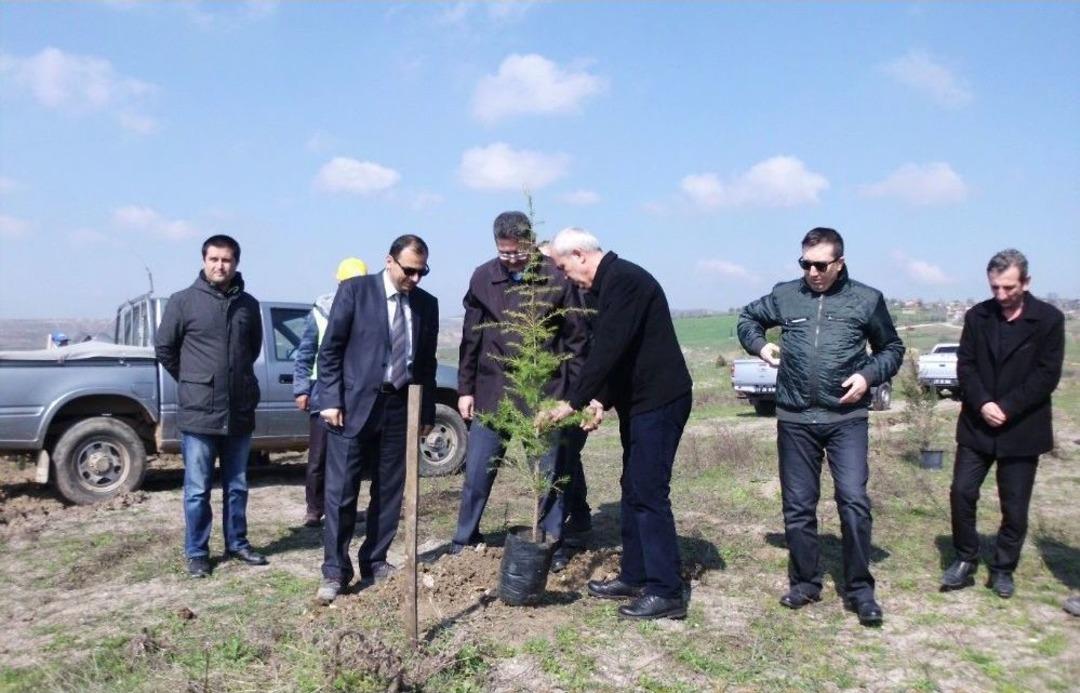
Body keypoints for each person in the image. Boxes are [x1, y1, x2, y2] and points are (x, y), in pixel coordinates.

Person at [737, 227, 904, 626]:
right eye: (805, 264)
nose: (812, 272)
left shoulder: (866, 299)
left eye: (820, 265)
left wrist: (867, 376)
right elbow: (747, 319)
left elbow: (892, 349)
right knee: (798, 506)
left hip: (846, 419)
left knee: (853, 501)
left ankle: (861, 590)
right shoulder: (785, 295)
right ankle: (806, 582)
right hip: (795, 418)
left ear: (839, 263)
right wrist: (760, 345)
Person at [540, 227, 693, 620]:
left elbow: (608, 349)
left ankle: (666, 591)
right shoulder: (608, 285)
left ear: (579, 254)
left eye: (563, 267)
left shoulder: (624, 280)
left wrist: (572, 402)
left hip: (660, 400)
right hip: (638, 401)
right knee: (632, 488)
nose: (564, 276)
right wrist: (601, 401)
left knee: (648, 491)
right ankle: (635, 573)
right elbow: (623, 355)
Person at [450, 213, 588, 566]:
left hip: (543, 395)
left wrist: (569, 398)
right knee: (478, 470)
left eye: (518, 252)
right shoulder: (483, 277)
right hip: (492, 392)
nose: (512, 258)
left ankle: (550, 546)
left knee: (548, 475)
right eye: (504, 252)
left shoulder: (556, 278)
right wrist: (465, 389)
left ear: (530, 242)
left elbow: (576, 342)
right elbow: (471, 337)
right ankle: (464, 539)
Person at [314, 235, 438, 604]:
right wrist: (330, 399)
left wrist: (426, 412)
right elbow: (331, 350)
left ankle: (375, 560)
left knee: (389, 490)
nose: (415, 279)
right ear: (389, 261)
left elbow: (427, 365)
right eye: (410, 270)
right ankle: (335, 570)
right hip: (352, 407)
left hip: (400, 408)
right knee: (341, 493)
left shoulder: (426, 305)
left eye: (423, 272)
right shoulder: (355, 292)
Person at [940, 249, 1064, 598]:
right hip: (977, 425)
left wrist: (1007, 407)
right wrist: (983, 403)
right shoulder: (977, 316)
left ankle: (1003, 568)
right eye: (995, 287)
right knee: (962, 492)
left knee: (1014, 506)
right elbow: (966, 366)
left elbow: (1046, 375)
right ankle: (965, 558)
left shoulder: (1050, 320)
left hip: (1022, 427)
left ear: (1026, 282)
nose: (1001, 295)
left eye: (1008, 288)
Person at [155, 234, 268, 578]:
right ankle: (197, 552)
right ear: (204, 260)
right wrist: (194, 381)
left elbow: (252, 349)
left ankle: (238, 543)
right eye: (214, 259)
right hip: (199, 412)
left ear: (236, 263)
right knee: (197, 489)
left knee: (237, 485)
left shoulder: (248, 305)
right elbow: (165, 349)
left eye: (227, 260)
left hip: (238, 411)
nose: (221, 266)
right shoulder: (183, 302)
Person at [293, 257, 368, 528]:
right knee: (319, 457)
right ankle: (314, 509)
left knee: (350, 457)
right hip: (323, 390)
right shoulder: (321, 311)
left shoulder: (370, 309)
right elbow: (305, 352)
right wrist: (302, 389)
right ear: (339, 281)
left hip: (355, 393)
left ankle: (343, 507)